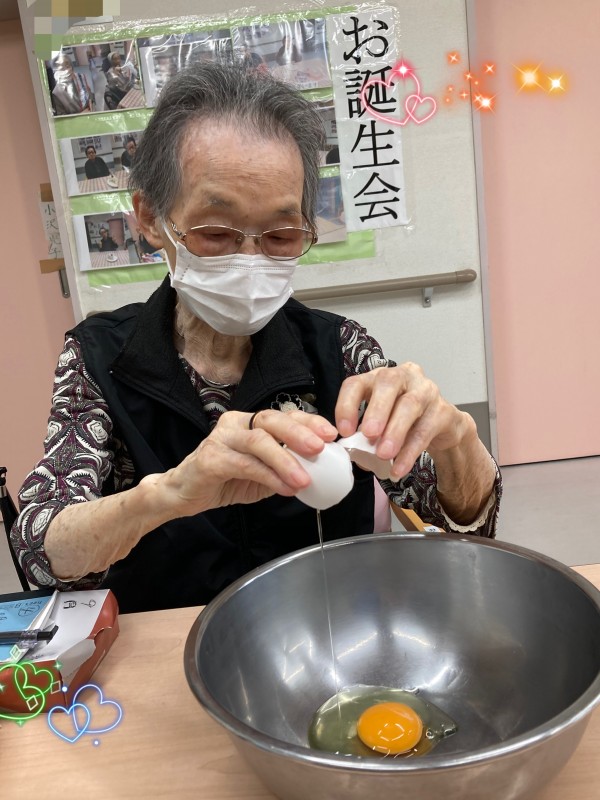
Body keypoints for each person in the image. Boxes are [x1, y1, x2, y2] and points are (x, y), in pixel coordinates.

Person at [11, 63, 501, 613]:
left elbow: (465, 520)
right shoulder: (100, 357)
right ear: (150, 219)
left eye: (281, 234)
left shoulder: (338, 351)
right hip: (170, 644)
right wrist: (167, 495)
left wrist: (457, 439)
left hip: (328, 632)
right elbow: (40, 549)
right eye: (217, 232)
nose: (250, 260)